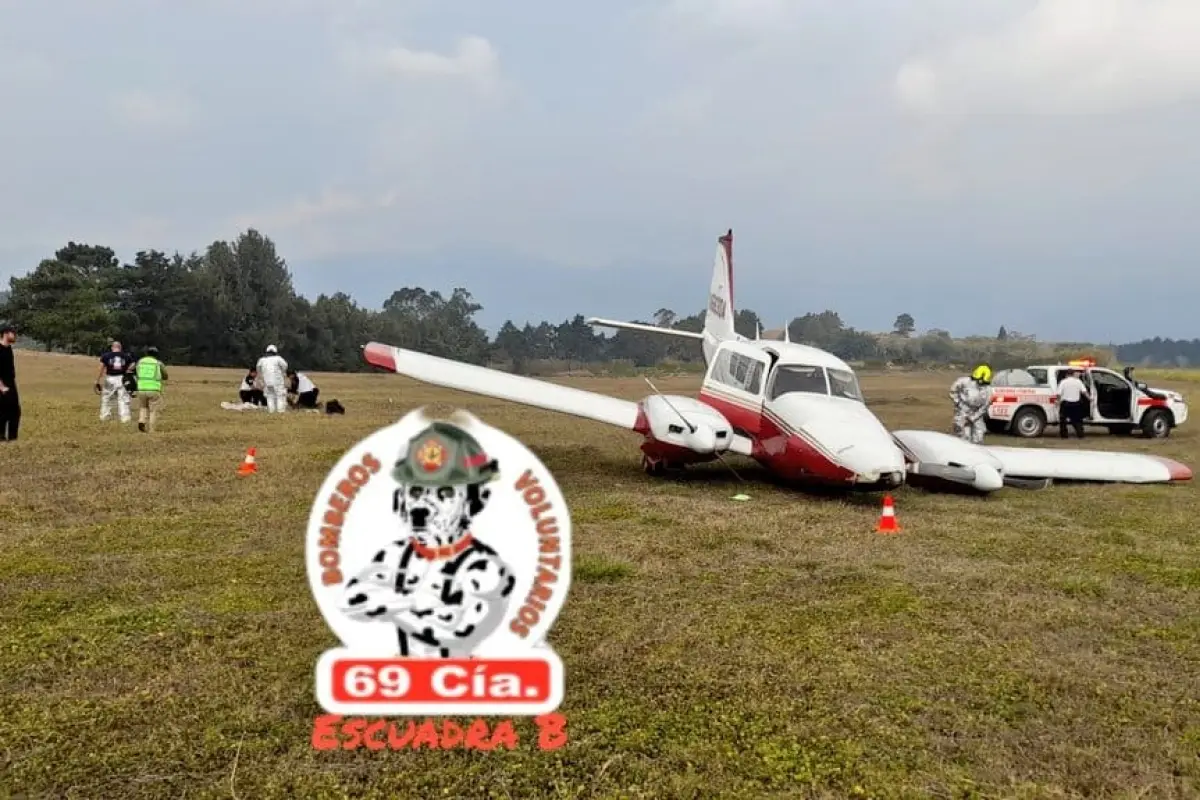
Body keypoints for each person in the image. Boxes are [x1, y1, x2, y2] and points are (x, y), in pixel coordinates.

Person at [949, 364, 992, 444]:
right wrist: (959, 404)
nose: (980, 383)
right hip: (962, 411)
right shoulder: (963, 382)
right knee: (963, 436)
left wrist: (974, 417)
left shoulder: (988, 389)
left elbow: (985, 405)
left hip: (977, 414)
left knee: (979, 435)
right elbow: (953, 392)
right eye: (978, 380)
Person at [95, 340, 134, 424]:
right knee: (123, 399)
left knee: (107, 398)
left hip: (110, 378)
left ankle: (104, 417)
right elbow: (133, 364)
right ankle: (125, 419)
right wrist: (128, 370)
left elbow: (101, 368)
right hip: (122, 378)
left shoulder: (106, 356)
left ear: (112, 347)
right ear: (120, 348)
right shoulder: (126, 356)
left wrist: (97, 381)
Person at [133, 347, 168, 433]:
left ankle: (141, 420)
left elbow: (135, 372)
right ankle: (151, 429)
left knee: (143, 407)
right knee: (153, 410)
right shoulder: (158, 363)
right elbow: (165, 375)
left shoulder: (140, 362)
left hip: (141, 388)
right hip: (154, 389)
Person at [1056, 367, 1090, 439]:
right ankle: (1080, 434)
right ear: (1073, 374)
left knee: (1063, 421)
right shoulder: (1078, 381)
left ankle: (1064, 436)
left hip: (1065, 404)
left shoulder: (1063, 382)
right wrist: (1089, 398)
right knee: (1077, 420)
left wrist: (1058, 401)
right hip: (1076, 404)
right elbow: (1084, 392)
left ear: (1067, 374)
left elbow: (1058, 393)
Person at [256, 344, 288, 413]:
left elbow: (258, 369)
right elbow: (285, 366)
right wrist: (282, 372)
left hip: (267, 382)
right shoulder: (278, 359)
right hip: (277, 381)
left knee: (270, 396)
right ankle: (280, 412)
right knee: (280, 396)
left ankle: (271, 411)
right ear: (275, 352)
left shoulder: (261, 360)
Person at [0, 324, 19, 441]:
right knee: (2, 411)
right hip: (2, 384)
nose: (15, 335)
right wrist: (2, 387)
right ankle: (1, 437)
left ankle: (13, 438)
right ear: (6, 333)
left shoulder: (8, 349)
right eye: (13, 333)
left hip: (10, 382)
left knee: (15, 411)